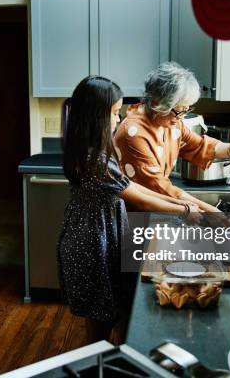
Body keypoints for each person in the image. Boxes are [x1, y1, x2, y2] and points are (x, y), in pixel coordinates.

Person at [58, 76, 200, 344]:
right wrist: (183, 210)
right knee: (101, 321)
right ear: (96, 117)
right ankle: (95, 368)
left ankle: (104, 361)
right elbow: (141, 199)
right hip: (92, 244)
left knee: (108, 313)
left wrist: (183, 205)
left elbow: (132, 187)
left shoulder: (92, 150)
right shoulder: (94, 160)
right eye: (114, 113)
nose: (118, 118)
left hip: (97, 235)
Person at [114, 62, 230, 212]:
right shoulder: (134, 134)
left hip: (156, 206)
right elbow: (159, 187)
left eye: (185, 110)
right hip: (132, 213)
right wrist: (209, 210)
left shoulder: (171, 123)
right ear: (157, 103)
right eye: (178, 110)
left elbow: (204, 147)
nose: (182, 117)